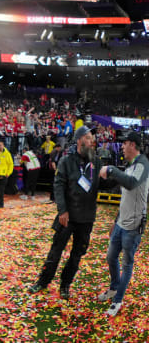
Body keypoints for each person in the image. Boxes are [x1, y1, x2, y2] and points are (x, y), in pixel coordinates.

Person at [28, 126, 102, 299]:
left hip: (87, 216)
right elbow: (59, 186)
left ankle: (65, 284)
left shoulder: (96, 162)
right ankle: (42, 281)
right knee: (55, 251)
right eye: (88, 138)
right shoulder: (66, 161)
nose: (92, 141)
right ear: (79, 140)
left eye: (92, 138)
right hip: (67, 216)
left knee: (77, 255)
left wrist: (113, 175)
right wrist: (62, 210)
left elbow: (101, 184)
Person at [97, 131, 148, 316]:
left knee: (127, 264)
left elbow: (131, 183)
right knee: (111, 257)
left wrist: (111, 169)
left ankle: (117, 301)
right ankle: (113, 288)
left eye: (124, 143)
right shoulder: (131, 165)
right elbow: (126, 197)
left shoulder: (143, 164)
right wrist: (115, 220)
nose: (121, 147)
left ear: (132, 145)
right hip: (121, 224)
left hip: (133, 227)